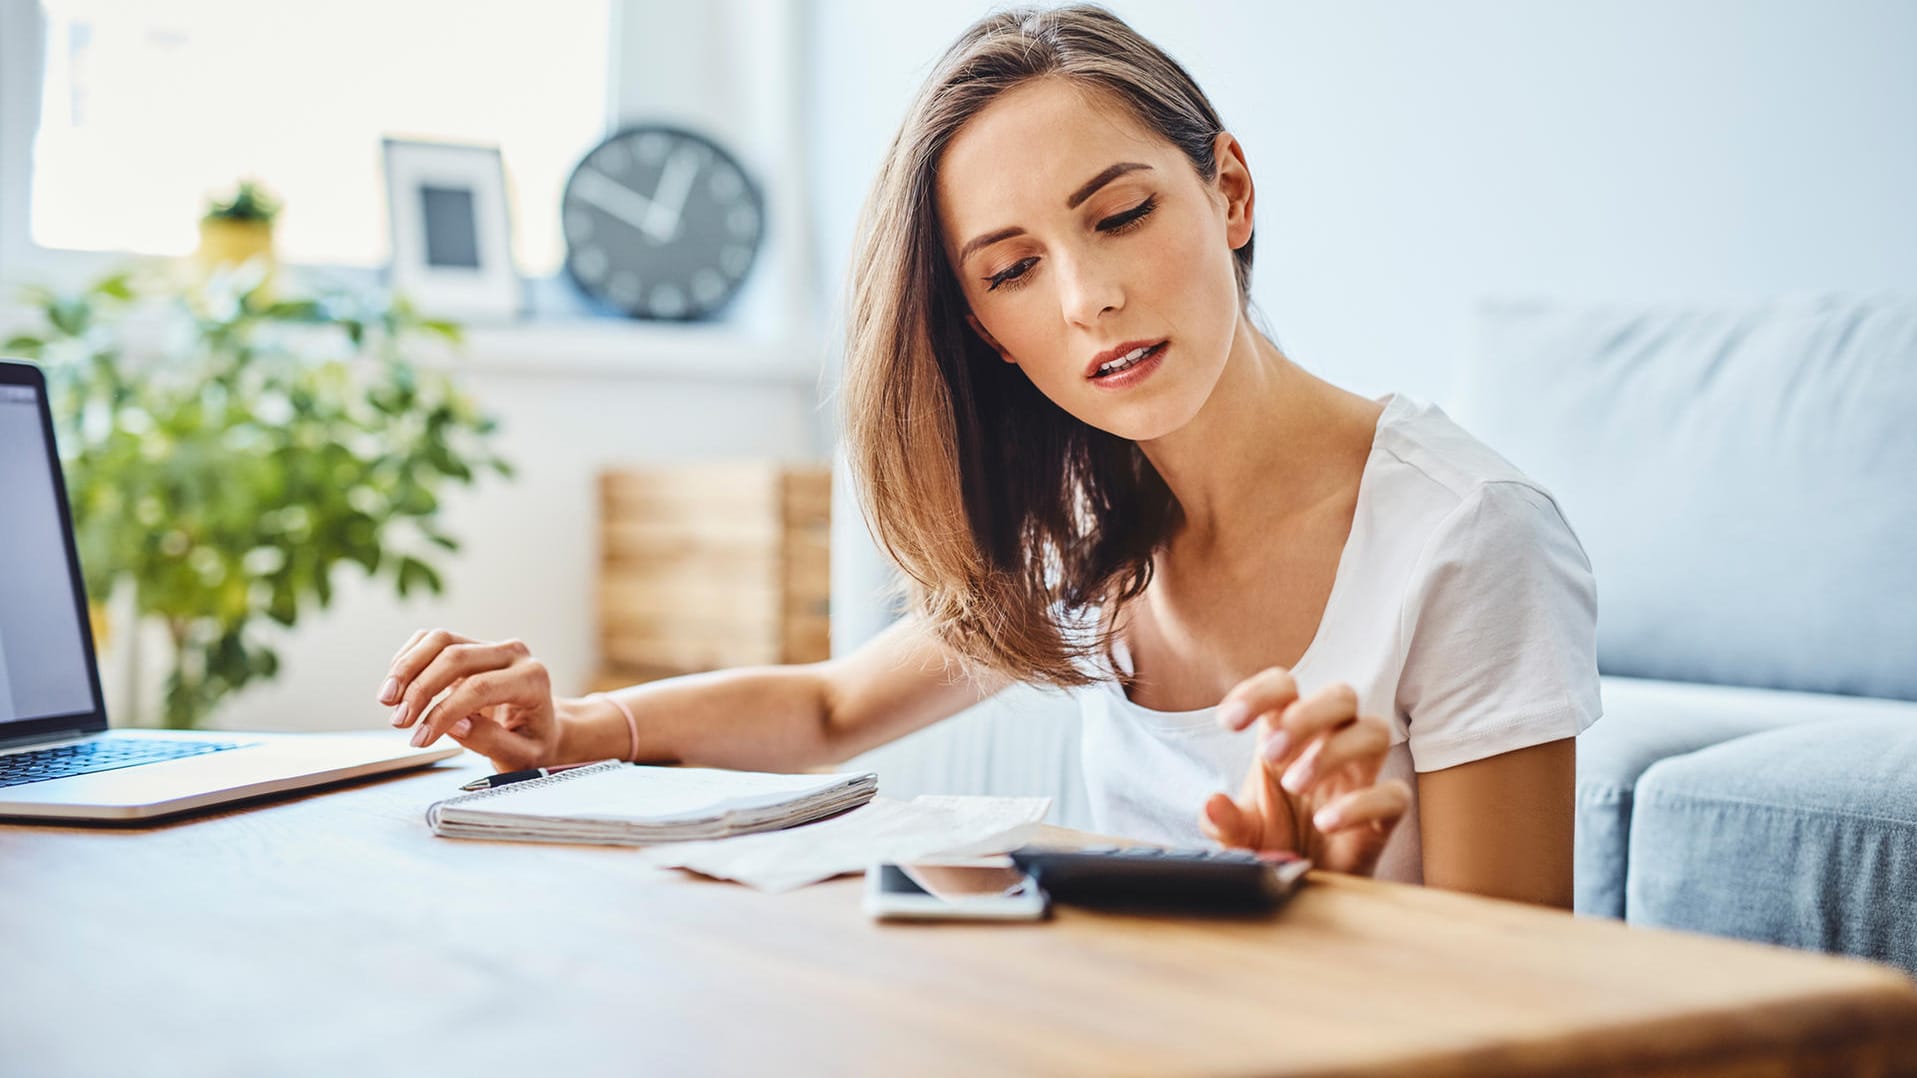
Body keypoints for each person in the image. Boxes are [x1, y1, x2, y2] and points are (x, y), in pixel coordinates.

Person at [374, 5, 1600, 907]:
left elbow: (1532, 1000)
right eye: (1013, 269)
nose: (1089, 298)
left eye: (1120, 214)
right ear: (986, 332)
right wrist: (571, 727)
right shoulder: (1091, 520)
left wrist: (1331, 899)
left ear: (1229, 191)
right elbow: (830, 706)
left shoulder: (1467, 533)